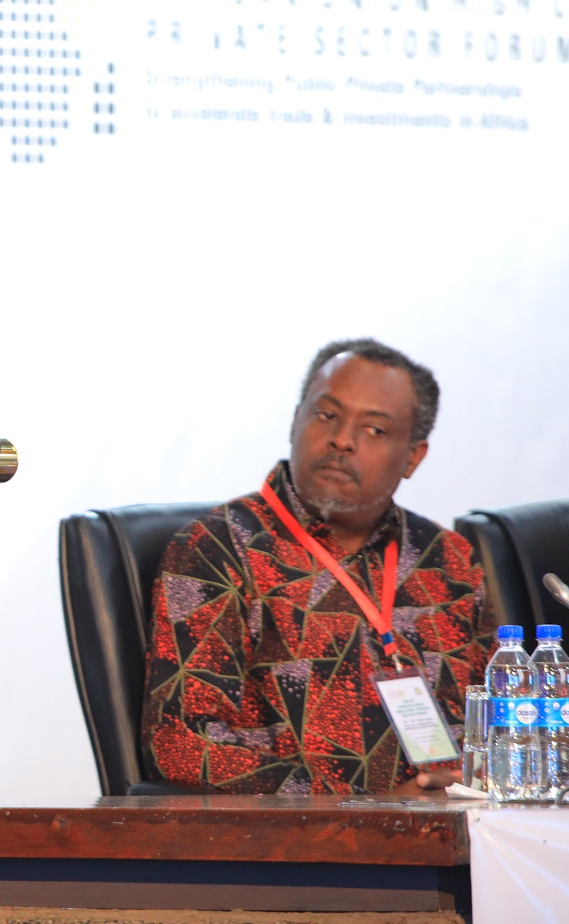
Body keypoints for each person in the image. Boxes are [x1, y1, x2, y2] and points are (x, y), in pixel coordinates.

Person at [142, 338, 492, 796]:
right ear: (295, 420)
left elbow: (497, 721)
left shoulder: (447, 562)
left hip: (466, 838)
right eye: (327, 415)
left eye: (375, 430)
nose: (342, 440)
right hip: (303, 850)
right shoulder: (219, 547)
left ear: (413, 457)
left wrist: (473, 782)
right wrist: (369, 807)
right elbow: (180, 742)